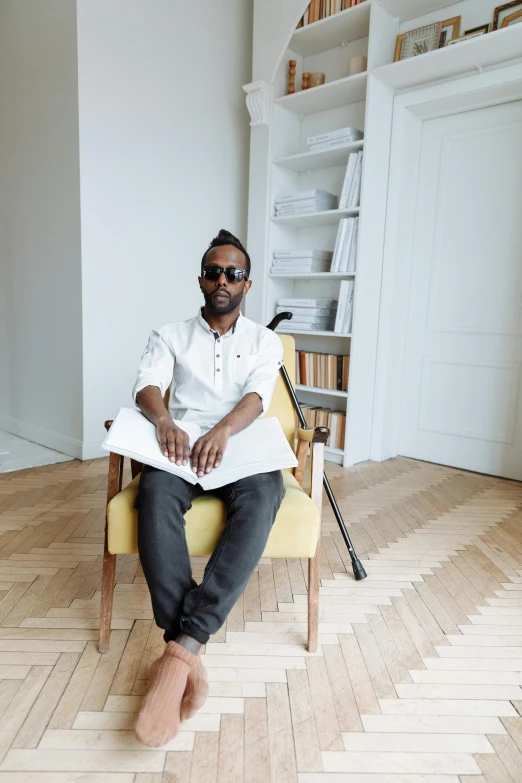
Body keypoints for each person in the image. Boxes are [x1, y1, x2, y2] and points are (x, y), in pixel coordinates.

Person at [132, 229, 286, 746]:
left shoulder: (265, 340)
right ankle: (186, 651)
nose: (223, 281)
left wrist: (223, 431)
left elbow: (258, 396)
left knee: (266, 493)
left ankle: (180, 651)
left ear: (247, 283)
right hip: (180, 445)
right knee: (154, 493)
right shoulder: (170, 333)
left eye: (233, 273)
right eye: (214, 272)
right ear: (201, 278)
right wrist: (163, 422)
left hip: (239, 444)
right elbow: (148, 385)